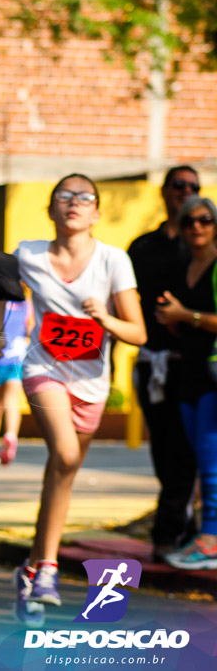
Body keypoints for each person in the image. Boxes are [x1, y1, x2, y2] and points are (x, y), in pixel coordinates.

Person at [0, 174, 146, 626]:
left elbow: (138, 332)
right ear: (51, 209)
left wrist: (106, 319)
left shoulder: (114, 261)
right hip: (45, 368)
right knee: (63, 453)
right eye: (64, 196)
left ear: (97, 213)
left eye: (84, 197)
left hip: (93, 382)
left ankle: (32, 569)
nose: (74, 203)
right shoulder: (30, 254)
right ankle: (50, 570)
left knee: (60, 478)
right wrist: (1, 330)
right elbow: (0, 282)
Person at [127, 166, 201, 562]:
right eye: (179, 185)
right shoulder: (142, 246)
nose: (186, 192)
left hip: (192, 364)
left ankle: (171, 530)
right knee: (164, 450)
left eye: (194, 187)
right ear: (164, 191)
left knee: (189, 450)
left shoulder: (203, 247)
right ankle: (177, 527)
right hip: (151, 361)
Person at [154, 195, 217, 570]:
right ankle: (205, 535)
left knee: (211, 460)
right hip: (187, 374)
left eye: (206, 220)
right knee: (195, 458)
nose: (198, 226)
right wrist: (173, 319)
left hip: (214, 376)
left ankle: (210, 539)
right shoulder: (182, 266)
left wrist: (186, 315)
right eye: (190, 220)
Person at [0, 299, 30, 465]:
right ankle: (11, 435)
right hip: (18, 355)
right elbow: (30, 329)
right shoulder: (26, 303)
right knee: (12, 400)